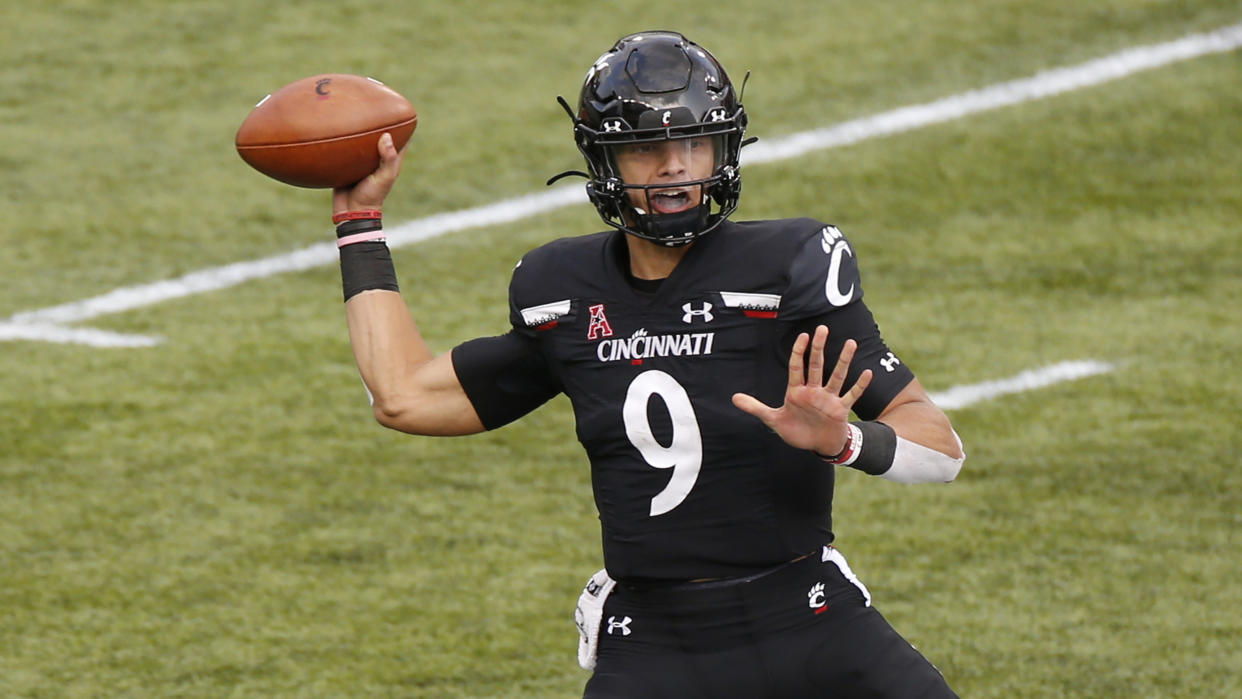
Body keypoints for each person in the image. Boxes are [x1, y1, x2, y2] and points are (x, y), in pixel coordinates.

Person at [331, 30, 965, 698]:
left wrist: (847, 440)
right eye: (647, 148)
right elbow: (402, 395)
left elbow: (940, 444)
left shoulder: (788, 267)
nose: (673, 165)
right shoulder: (561, 290)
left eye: (693, 141)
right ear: (604, 161)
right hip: (660, 644)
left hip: (809, 619)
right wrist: (360, 222)